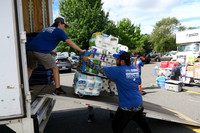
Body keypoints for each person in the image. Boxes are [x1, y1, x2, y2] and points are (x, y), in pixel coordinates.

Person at [82, 51, 151, 133]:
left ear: (122, 61)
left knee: (116, 127)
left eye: (117, 59)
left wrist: (87, 61)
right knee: (143, 124)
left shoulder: (118, 70)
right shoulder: (134, 68)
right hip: (138, 103)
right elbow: (138, 82)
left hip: (127, 107)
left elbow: (100, 69)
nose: (116, 61)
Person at [26, 17, 84, 95]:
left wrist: (50, 52)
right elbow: (70, 42)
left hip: (30, 49)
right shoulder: (59, 31)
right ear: (59, 23)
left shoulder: (46, 29)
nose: (64, 28)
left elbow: (41, 41)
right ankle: (58, 89)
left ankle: (26, 89)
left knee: (30, 68)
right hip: (40, 51)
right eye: (64, 26)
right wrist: (81, 50)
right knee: (55, 68)